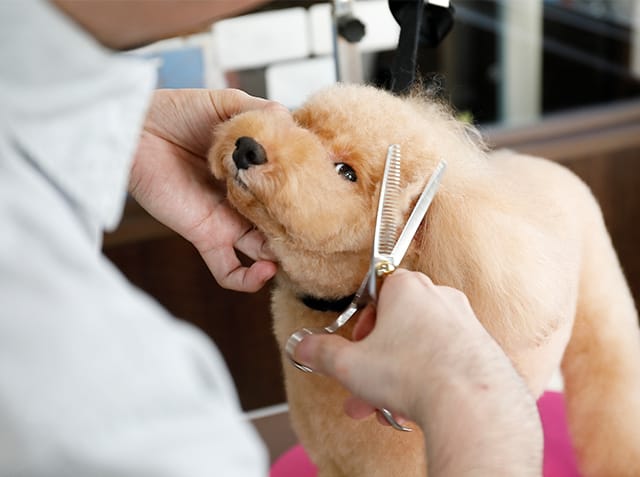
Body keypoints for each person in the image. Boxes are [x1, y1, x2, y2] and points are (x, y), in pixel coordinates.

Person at [0, 1, 542, 476]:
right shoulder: (131, 419)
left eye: (346, 171)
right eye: (301, 125)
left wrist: (138, 129)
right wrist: (480, 410)